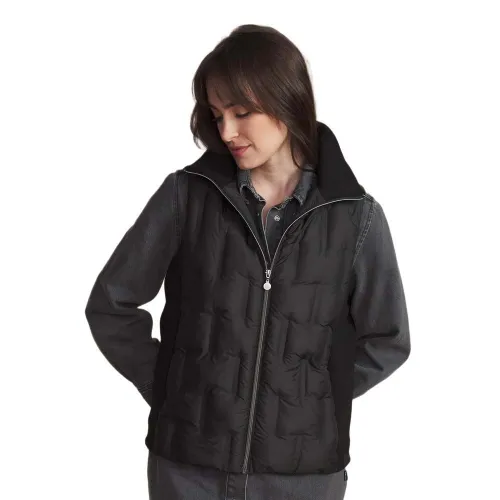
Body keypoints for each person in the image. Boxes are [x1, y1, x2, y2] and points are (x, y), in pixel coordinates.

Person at [84, 24, 411, 500]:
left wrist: (315, 399)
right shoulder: (186, 196)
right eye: (217, 115)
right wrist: (170, 385)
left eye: (242, 112)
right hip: (188, 470)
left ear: (287, 100)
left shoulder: (355, 217)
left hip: (303, 479)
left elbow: (388, 338)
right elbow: (111, 304)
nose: (226, 132)